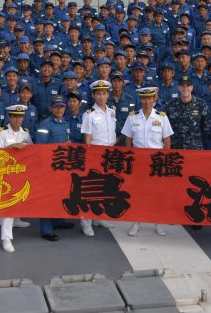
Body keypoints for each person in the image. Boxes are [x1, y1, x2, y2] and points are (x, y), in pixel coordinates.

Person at [121, 87, 173, 237]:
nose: (147, 101)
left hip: (156, 161)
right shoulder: (132, 117)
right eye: (144, 98)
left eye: (150, 98)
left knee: (157, 193)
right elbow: (128, 139)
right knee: (137, 193)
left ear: (154, 99)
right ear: (140, 99)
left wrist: (165, 160)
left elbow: (167, 139)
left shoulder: (162, 117)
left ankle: (158, 222)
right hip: (138, 161)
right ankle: (136, 222)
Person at [0, 104, 33, 253]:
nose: (17, 119)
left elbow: (32, 151)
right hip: (4, 173)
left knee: (18, 201)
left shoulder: (26, 133)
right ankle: (6, 238)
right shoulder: (2, 132)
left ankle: (17, 220)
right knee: (9, 205)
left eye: (20, 116)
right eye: (14, 116)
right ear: (10, 117)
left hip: (19, 172)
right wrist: (12, 146)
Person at [79, 80, 118, 236]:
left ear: (108, 94)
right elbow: (87, 139)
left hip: (109, 155)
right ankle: (86, 222)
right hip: (95, 155)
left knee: (104, 188)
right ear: (94, 95)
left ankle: (98, 217)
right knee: (90, 189)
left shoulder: (112, 112)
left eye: (104, 93)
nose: (101, 96)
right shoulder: (89, 115)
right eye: (98, 94)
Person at [35, 98, 75, 241]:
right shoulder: (45, 124)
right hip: (48, 167)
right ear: (51, 108)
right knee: (47, 198)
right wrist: (62, 146)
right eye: (56, 107)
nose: (59, 109)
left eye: (62, 107)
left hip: (62, 166)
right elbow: (40, 147)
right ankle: (46, 230)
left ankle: (58, 222)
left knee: (60, 194)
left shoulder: (65, 123)